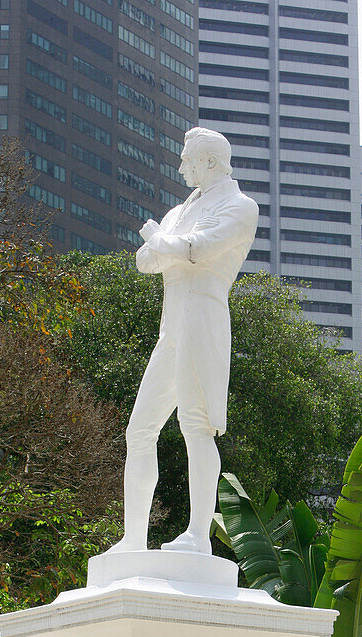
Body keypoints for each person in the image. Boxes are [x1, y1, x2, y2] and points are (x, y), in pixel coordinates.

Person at [107, 126, 259, 557]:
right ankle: (133, 539)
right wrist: (164, 243)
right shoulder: (179, 210)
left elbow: (196, 248)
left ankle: (197, 535)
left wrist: (160, 240)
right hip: (171, 323)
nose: (180, 166)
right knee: (139, 430)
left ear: (210, 161)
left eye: (187, 158)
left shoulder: (239, 205)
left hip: (203, 315)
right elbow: (146, 262)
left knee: (196, 426)